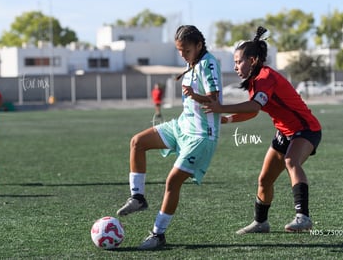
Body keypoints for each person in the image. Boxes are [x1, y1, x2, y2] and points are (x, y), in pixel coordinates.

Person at [203, 26, 322, 234]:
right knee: (264, 179)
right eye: (235, 62)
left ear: (253, 60)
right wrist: (227, 119)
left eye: (239, 61)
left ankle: (303, 217)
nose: (236, 66)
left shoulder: (265, 77)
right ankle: (261, 223)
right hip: (284, 133)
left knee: (290, 161)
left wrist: (221, 108)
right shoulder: (254, 81)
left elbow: (253, 107)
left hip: (306, 129)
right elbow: (253, 111)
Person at [116, 25, 222, 249]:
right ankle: (138, 198)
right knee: (138, 142)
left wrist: (195, 95)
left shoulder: (209, 64)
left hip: (200, 136)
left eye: (186, 50)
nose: (182, 55)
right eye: (179, 51)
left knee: (172, 182)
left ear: (199, 45)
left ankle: (158, 234)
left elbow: (215, 102)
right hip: (182, 127)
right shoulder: (191, 62)